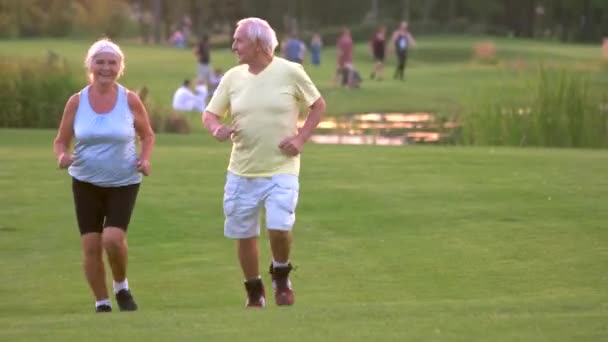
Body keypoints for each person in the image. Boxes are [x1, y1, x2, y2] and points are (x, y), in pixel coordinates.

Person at [202, 17, 326, 308]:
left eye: (239, 40)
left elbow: (318, 105)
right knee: (243, 233)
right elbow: (210, 114)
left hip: (281, 167)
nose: (234, 45)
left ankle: (281, 275)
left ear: (259, 44)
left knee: (280, 226)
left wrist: (301, 138)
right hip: (241, 170)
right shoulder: (232, 77)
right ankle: (254, 289)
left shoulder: (291, 71)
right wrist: (216, 129)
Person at [53, 38, 155, 313]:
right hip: (85, 181)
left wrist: (145, 160)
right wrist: (62, 157)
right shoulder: (77, 101)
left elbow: (147, 135)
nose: (106, 68)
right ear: (90, 65)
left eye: (112, 63)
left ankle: (121, 286)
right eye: (100, 62)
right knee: (91, 245)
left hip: (123, 180)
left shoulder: (129, 99)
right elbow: (61, 140)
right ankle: (102, 304)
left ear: (120, 67)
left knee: (111, 238)